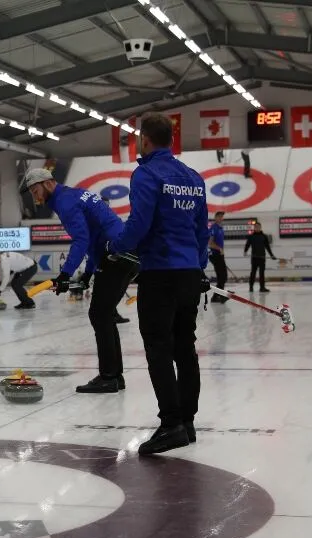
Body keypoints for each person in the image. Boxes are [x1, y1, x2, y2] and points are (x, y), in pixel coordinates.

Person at [106, 112, 211, 455]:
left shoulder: (146, 174)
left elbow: (139, 224)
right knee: (185, 347)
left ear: (145, 140)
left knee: (158, 348)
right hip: (189, 272)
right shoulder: (194, 178)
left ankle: (171, 424)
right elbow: (201, 231)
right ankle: (187, 422)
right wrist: (198, 266)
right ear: (172, 140)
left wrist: (115, 245)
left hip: (160, 272)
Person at [21, 168, 131, 394]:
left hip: (117, 256)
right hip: (121, 254)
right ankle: (115, 376)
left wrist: (65, 275)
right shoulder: (73, 195)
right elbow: (93, 239)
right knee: (104, 314)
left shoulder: (65, 202)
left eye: (35, 190)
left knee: (99, 314)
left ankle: (110, 377)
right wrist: (89, 273)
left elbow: (81, 240)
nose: (35, 196)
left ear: (48, 183)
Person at [244, 221, 276, 293]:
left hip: (262, 257)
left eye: (258, 227)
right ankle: (251, 287)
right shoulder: (251, 236)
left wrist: (271, 255)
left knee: (262, 273)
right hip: (254, 257)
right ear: (254, 228)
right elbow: (247, 244)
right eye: (256, 227)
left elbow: (267, 247)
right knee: (253, 273)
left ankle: (262, 288)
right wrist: (245, 251)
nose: (257, 228)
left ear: (260, 227)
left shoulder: (264, 236)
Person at [208, 211, 228, 303]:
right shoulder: (214, 228)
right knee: (222, 276)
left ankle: (217, 296)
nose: (221, 218)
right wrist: (219, 248)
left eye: (222, 216)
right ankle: (219, 296)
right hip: (215, 255)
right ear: (215, 217)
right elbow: (210, 243)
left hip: (219, 254)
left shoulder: (220, 228)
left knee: (223, 276)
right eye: (219, 216)